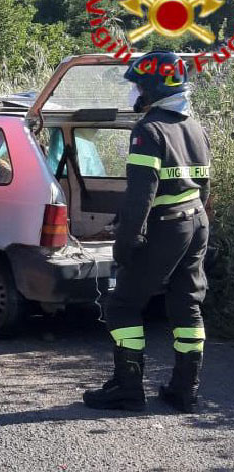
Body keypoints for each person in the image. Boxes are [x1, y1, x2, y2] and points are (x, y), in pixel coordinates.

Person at [83, 51, 211, 413]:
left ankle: (127, 388)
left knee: (122, 305)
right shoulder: (194, 126)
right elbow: (203, 188)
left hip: (165, 225)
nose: (134, 92)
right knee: (187, 304)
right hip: (196, 222)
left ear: (154, 87)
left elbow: (141, 196)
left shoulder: (149, 130)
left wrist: (126, 244)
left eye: (138, 85)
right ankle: (185, 390)